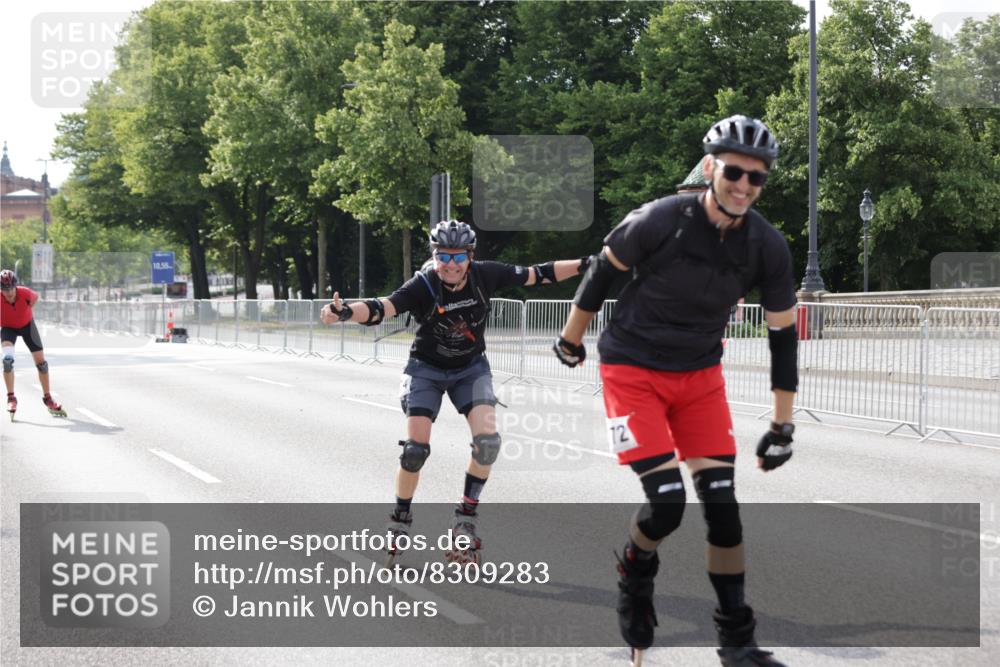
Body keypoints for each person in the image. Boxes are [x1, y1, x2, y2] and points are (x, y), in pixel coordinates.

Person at [553, 115, 798, 667]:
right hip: (632, 370)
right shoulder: (661, 219)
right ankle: (635, 572)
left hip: (698, 378)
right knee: (667, 505)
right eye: (734, 171)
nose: (743, 185)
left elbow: (783, 337)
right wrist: (572, 339)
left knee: (724, 509)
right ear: (712, 167)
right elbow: (601, 275)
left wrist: (782, 425)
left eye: (756, 178)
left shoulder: (767, 246)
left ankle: (737, 641)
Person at [321, 220, 588, 564]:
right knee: (416, 450)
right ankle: (401, 517)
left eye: (457, 256)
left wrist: (587, 264)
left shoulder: (485, 275)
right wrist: (345, 312)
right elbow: (382, 307)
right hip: (426, 370)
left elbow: (539, 274)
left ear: (469, 257)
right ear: (434, 256)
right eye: (442, 255)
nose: (450, 263)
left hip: (470, 368)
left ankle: (465, 517)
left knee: (488, 443)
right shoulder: (424, 284)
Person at [1, 269, 67, 418]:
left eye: (11, 288)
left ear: (15, 286)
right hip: (8, 329)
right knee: (7, 361)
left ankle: (48, 398)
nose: (9, 292)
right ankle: (11, 397)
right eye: (4, 290)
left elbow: (35, 299)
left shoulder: (26, 293)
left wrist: (24, 313)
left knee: (41, 364)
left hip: (27, 327)